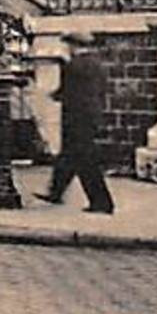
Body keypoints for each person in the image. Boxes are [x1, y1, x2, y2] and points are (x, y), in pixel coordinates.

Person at [36, 31, 115, 214]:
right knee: (68, 157)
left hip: (76, 119)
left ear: (74, 46)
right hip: (91, 117)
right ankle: (55, 192)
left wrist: (52, 95)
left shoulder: (73, 66)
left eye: (68, 45)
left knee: (85, 162)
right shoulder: (98, 65)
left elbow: (67, 93)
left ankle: (102, 202)